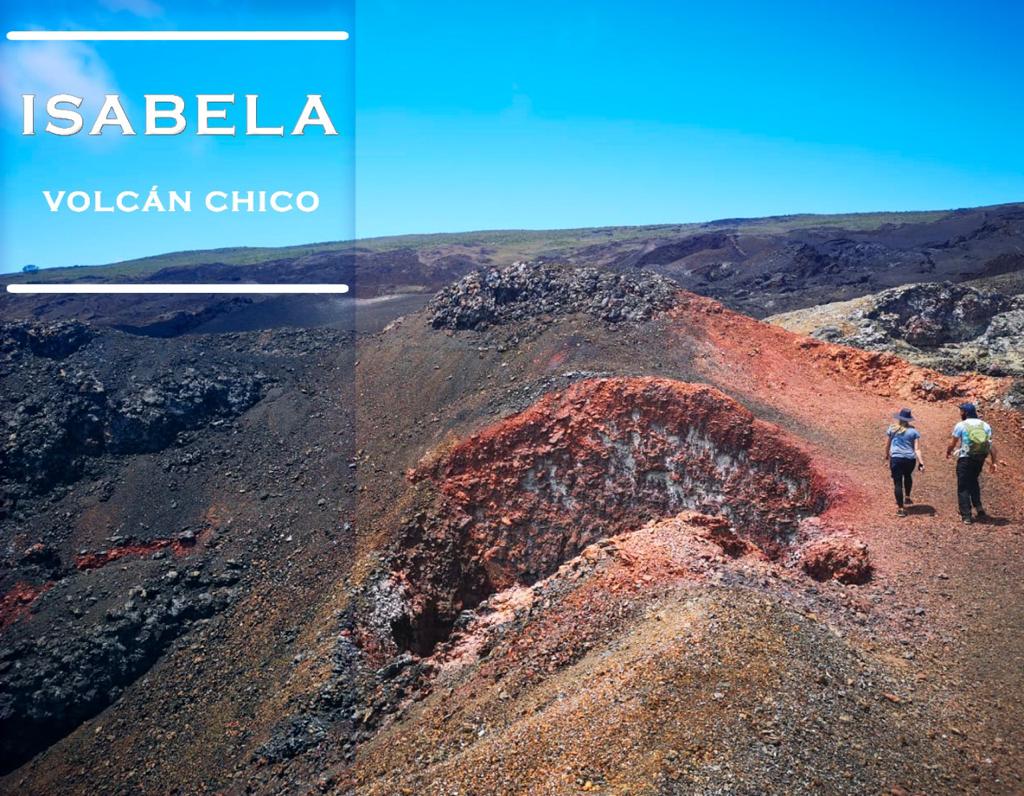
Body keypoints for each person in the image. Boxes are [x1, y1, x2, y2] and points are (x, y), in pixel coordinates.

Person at [945, 401, 999, 524]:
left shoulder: (961, 425)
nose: (960, 413)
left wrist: (948, 452)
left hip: (966, 458)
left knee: (963, 485)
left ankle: (966, 515)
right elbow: (990, 445)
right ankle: (979, 508)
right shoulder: (985, 425)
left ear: (964, 412)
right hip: (979, 458)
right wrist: (993, 462)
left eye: (961, 411)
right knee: (973, 480)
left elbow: (953, 443)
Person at [885, 408, 924, 517]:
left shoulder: (892, 429)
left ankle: (901, 508)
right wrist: (921, 462)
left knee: (898, 482)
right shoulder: (913, 431)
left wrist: (887, 456)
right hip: (909, 459)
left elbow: (887, 445)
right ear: (909, 419)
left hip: (896, 458)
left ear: (899, 418)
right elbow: (917, 449)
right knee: (907, 475)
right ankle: (907, 496)